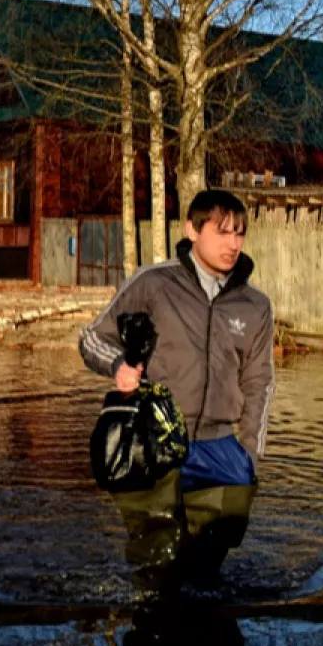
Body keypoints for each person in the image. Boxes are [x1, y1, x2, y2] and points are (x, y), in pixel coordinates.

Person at [81, 189, 275, 498]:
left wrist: (250, 454)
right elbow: (92, 339)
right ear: (192, 230)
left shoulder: (256, 305)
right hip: (156, 442)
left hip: (223, 451)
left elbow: (259, 382)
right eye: (222, 232)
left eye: (240, 234)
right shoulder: (154, 284)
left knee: (219, 543)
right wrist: (118, 366)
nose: (233, 244)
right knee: (156, 544)